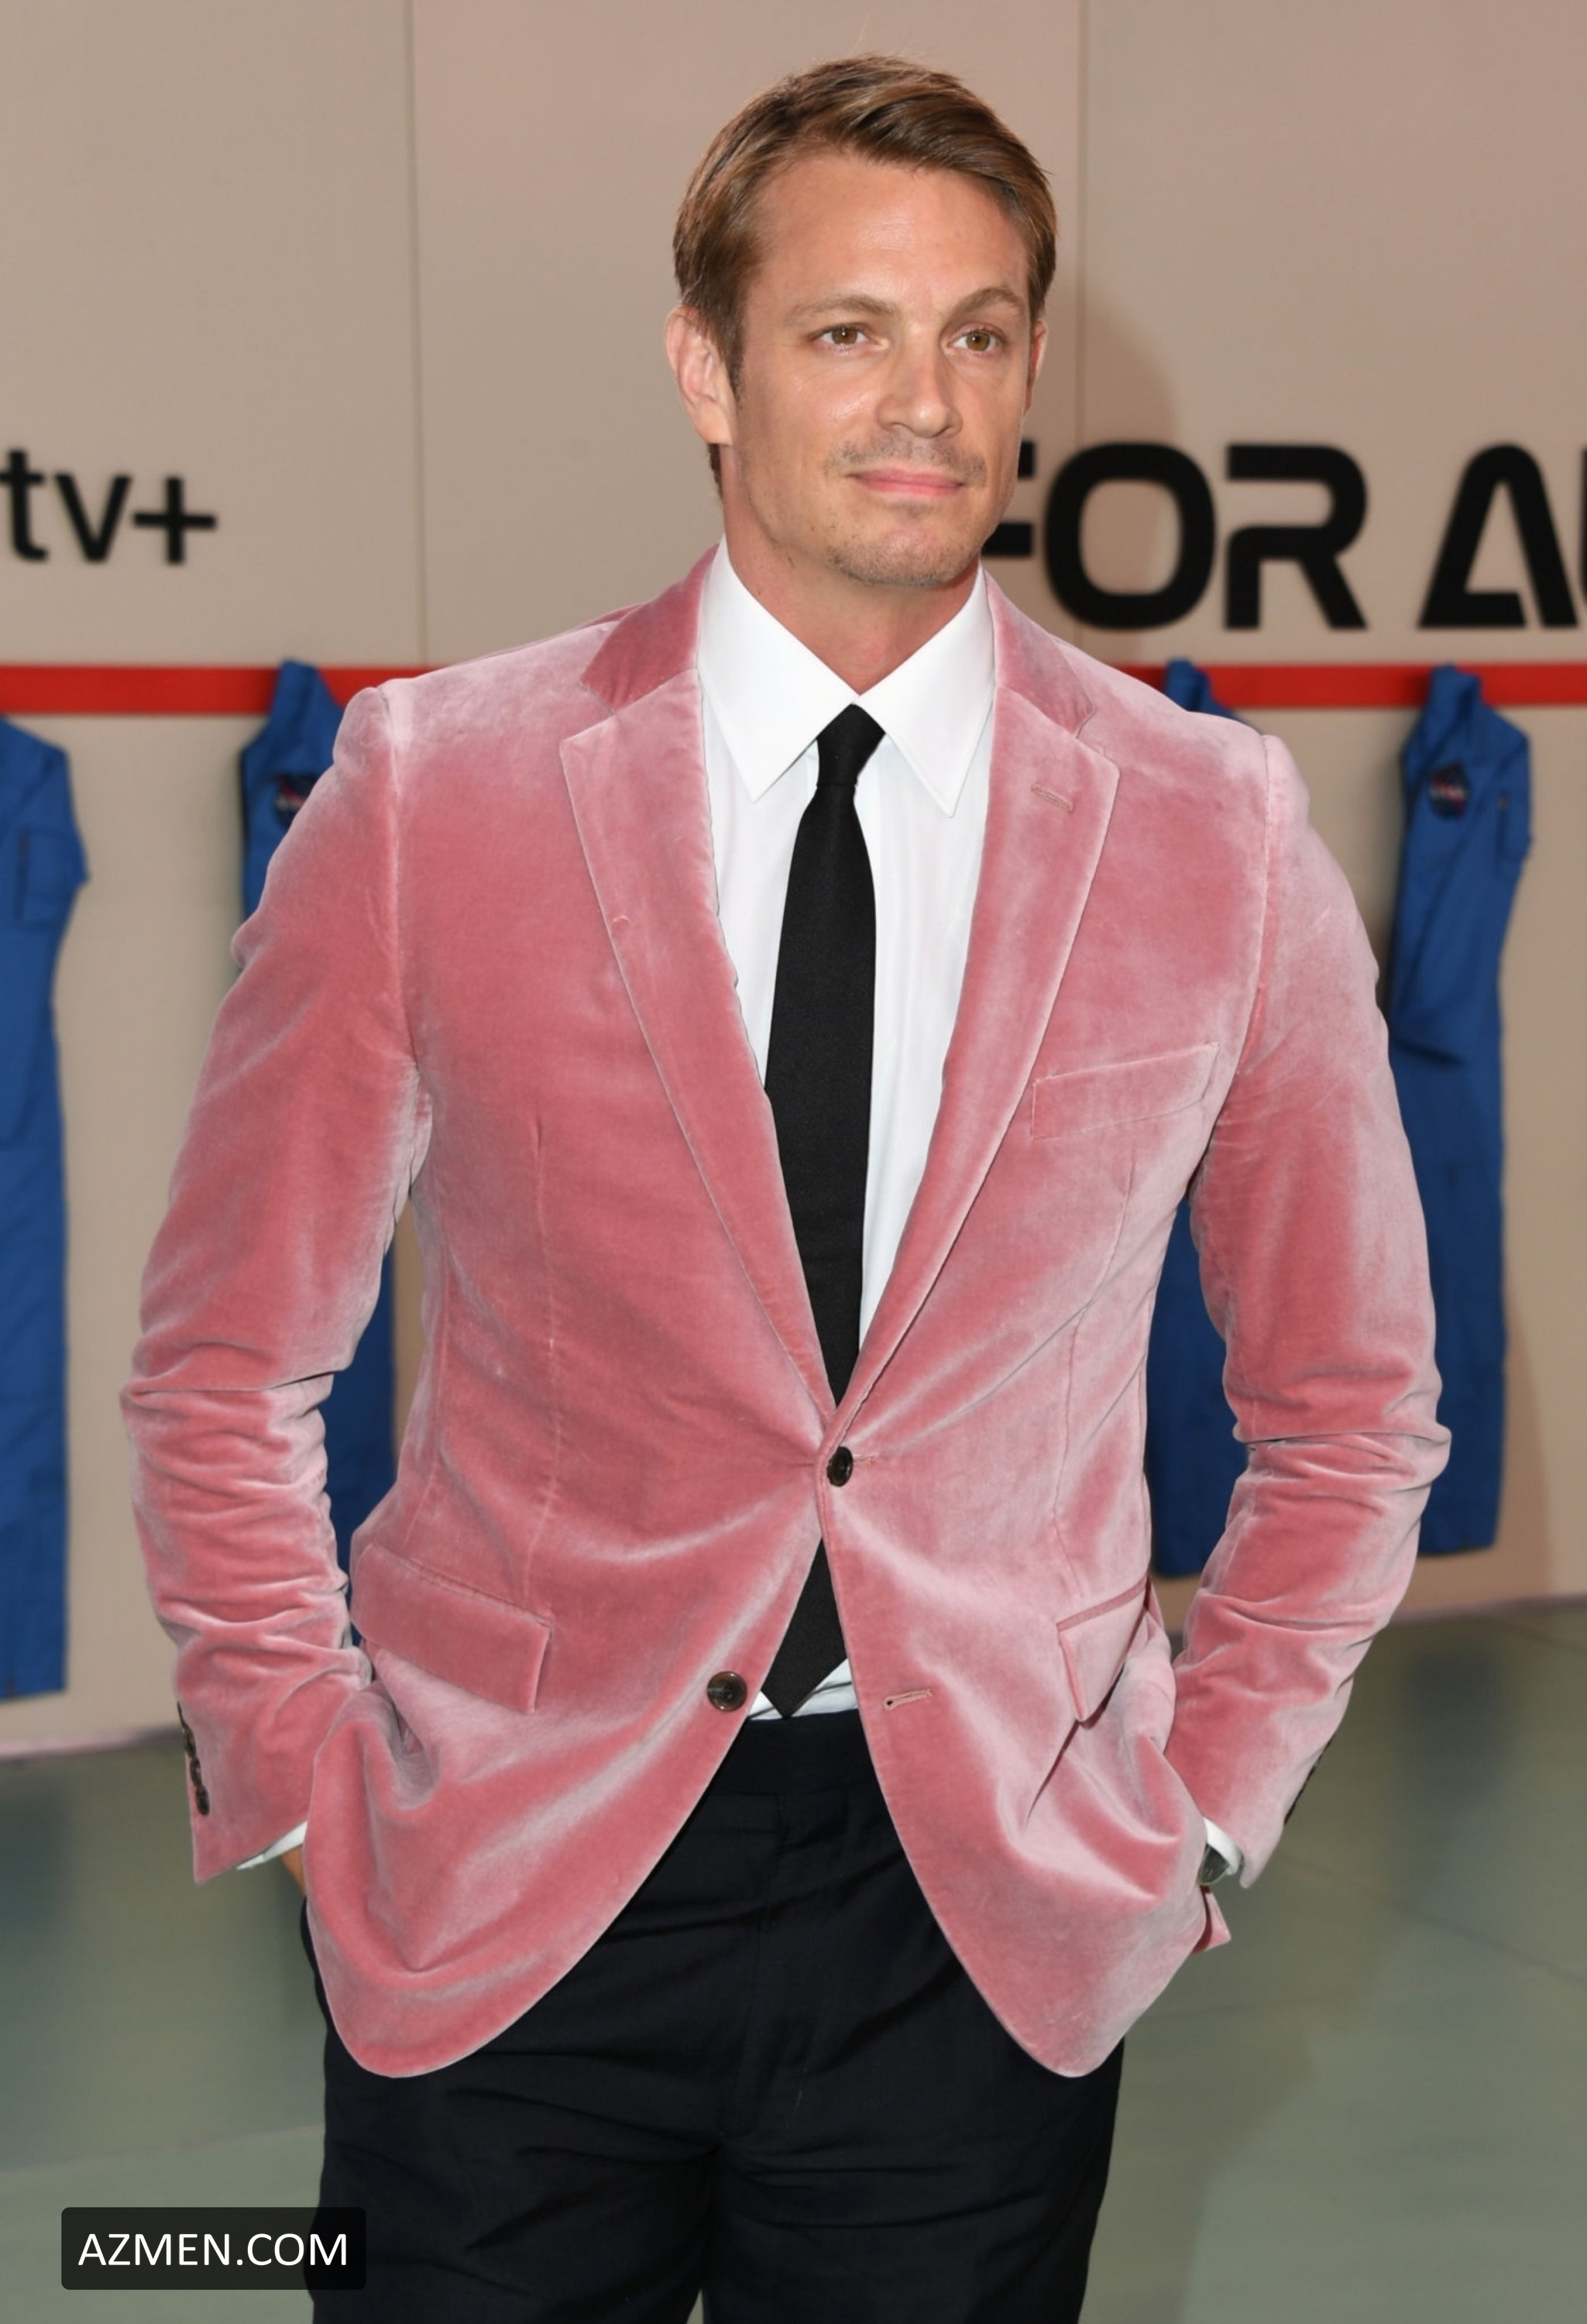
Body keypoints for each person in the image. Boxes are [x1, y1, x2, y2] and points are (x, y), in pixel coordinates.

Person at [125, 54, 1446, 2322]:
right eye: (847, 330)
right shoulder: (434, 793)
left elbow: (1351, 1406)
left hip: (981, 1918)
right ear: (706, 370)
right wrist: (306, 1776)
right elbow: (225, 1360)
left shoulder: (1212, 832)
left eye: (978, 333)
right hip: (502, 1880)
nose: (923, 398)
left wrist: (1205, 1807)